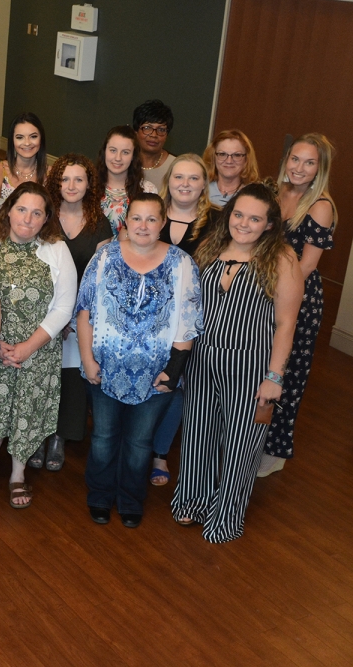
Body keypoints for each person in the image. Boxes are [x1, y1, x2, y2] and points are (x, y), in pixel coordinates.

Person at [172, 184, 303, 543]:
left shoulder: (282, 259)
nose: (244, 224)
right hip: (202, 358)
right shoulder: (211, 249)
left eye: (255, 218)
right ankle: (193, 499)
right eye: (239, 214)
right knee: (198, 432)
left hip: (251, 365)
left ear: (269, 225)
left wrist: (274, 376)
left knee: (242, 442)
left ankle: (226, 514)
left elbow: (286, 324)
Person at [77, 193, 201, 528]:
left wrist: (172, 371)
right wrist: (87, 360)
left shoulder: (181, 263)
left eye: (151, 219)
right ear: (125, 222)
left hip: (155, 375)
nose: (143, 226)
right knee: (103, 437)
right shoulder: (104, 257)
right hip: (105, 368)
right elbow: (85, 311)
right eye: (136, 218)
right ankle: (100, 495)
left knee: (139, 442)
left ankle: (131, 499)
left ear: (163, 223)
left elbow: (187, 323)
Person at [0, 183, 75, 508]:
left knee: (27, 410)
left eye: (37, 213)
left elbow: (64, 306)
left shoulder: (57, 249)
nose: (27, 219)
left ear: (46, 219)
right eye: (21, 209)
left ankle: (17, 474)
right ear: (9, 209)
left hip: (37, 349)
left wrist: (29, 346)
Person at [261, 133, 338, 477]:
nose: (300, 168)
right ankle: (250, 437)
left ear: (320, 169)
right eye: (295, 159)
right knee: (261, 365)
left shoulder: (320, 205)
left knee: (287, 374)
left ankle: (273, 450)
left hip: (297, 298)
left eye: (310, 163)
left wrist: (272, 292)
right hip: (264, 290)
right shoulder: (276, 194)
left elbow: (306, 266)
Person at [148, 154, 220, 485]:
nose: (185, 184)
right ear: (168, 181)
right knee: (149, 381)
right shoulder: (152, 214)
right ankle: (138, 445)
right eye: (179, 177)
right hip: (148, 316)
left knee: (177, 387)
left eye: (193, 178)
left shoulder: (219, 222)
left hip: (191, 319)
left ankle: (160, 454)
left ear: (205, 184)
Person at [44, 154, 112, 473]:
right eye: (65, 179)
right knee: (42, 372)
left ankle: (60, 436)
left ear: (89, 184)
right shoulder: (44, 217)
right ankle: (38, 432)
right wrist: (56, 315)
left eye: (79, 180)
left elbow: (101, 275)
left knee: (71, 374)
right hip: (44, 309)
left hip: (82, 313)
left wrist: (73, 317)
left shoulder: (101, 222)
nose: (71, 186)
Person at [97, 125, 156, 236]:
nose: (118, 158)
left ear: (134, 156)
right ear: (104, 151)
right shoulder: (88, 185)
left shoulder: (148, 190)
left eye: (125, 152)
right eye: (113, 150)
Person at [0, 113, 47, 199]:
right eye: (20, 137)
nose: (27, 143)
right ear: (12, 141)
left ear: (41, 139)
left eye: (33, 136)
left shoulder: (50, 174)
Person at [202, 129, 260, 208]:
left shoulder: (255, 196)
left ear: (246, 159)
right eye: (222, 154)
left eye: (236, 155)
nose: (229, 161)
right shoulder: (200, 190)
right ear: (213, 157)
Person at [133, 100, 176, 189]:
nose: (154, 135)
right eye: (147, 128)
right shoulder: (122, 162)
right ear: (136, 132)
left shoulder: (176, 166)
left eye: (161, 129)